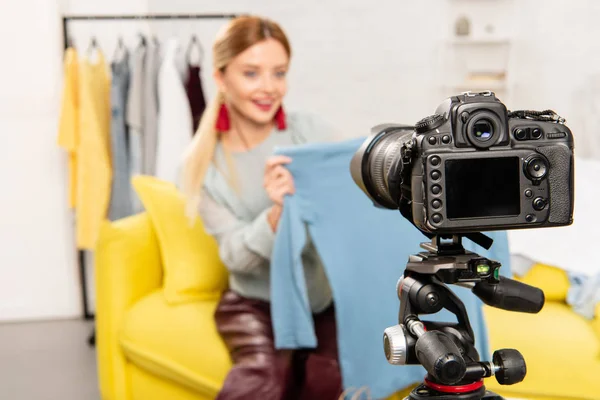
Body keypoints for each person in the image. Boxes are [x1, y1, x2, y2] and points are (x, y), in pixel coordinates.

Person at [181, 15, 343, 400]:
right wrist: (276, 212)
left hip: (318, 299)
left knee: (329, 379)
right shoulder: (203, 165)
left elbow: (357, 195)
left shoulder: (310, 132)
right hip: (255, 304)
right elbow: (236, 257)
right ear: (220, 79)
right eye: (251, 73)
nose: (269, 88)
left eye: (279, 73)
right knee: (265, 382)